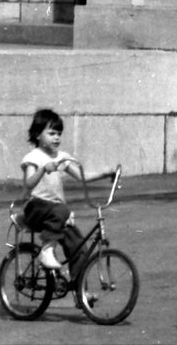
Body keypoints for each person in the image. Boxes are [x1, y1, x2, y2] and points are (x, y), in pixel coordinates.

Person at [19, 108, 115, 278]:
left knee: (78, 245)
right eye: (51, 133)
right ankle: (47, 250)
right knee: (62, 209)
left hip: (55, 213)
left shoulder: (61, 157)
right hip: (35, 209)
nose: (57, 137)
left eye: (59, 134)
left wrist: (105, 173)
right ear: (37, 135)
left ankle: (80, 293)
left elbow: (81, 176)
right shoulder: (33, 157)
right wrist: (42, 170)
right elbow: (28, 183)